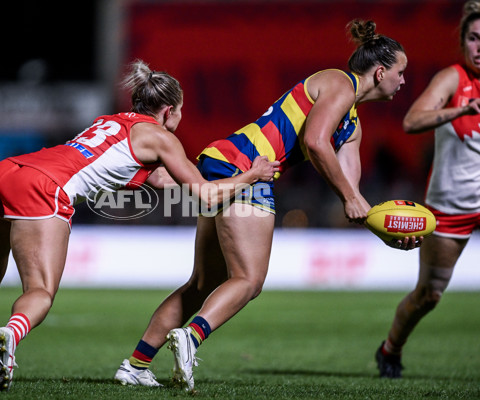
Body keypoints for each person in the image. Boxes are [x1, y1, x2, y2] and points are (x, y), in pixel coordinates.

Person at [0, 59, 279, 390]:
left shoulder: (110, 122)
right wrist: (252, 174)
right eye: (179, 113)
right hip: (43, 189)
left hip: (4, 172)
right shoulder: (161, 137)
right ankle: (11, 333)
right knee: (41, 292)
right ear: (169, 110)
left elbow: (160, 179)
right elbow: (205, 196)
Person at [114, 20, 418, 391]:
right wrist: (352, 199)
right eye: (401, 72)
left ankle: (136, 364)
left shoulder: (352, 125)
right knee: (249, 280)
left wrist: (383, 228)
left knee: (202, 283)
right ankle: (190, 338)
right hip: (249, 168)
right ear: (381, 71)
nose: (403, 81)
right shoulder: (340, 83)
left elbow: (350, 191)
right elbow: (318, 142)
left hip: (221, 160)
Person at [375, 0, 480, 379]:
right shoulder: (453, 79)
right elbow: (412, 120)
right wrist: (460, 111)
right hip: (452, 207)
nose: (479, 47)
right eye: (473, 38)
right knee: (429, 295)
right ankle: (390, 349)